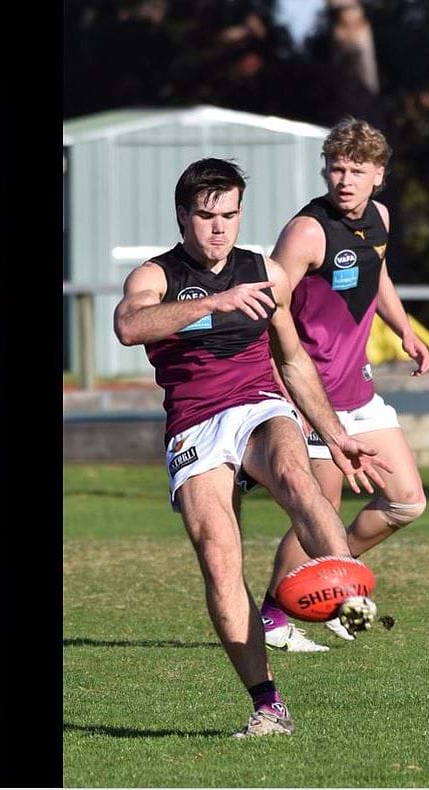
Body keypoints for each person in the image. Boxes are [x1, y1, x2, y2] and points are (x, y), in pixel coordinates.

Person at [113, 158, 387, 738]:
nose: (219, 228)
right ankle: (268, 705)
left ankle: (348, 594)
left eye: (230, 215)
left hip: (258, 403)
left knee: (295, 476)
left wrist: (334, 433)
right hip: (193, 424)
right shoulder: (156, 275)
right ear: (182, 215)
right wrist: (213, 302)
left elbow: (293, 360)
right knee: (219, 558)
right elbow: (130, 327)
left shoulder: (264, 272)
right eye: (206, 216)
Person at [256, 119, 429, 652]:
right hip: (313, 398)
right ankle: (272, 616)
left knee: (407, 502)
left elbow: (378, 275)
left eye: (356, 170)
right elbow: (270, 306)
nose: (344, 180)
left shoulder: (380, 217)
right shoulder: (307, 231)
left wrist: (404, 331)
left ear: (379, 174)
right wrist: (286, 392)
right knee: (319, 513)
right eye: (336, 169)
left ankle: (331, 583)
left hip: (359, 391)